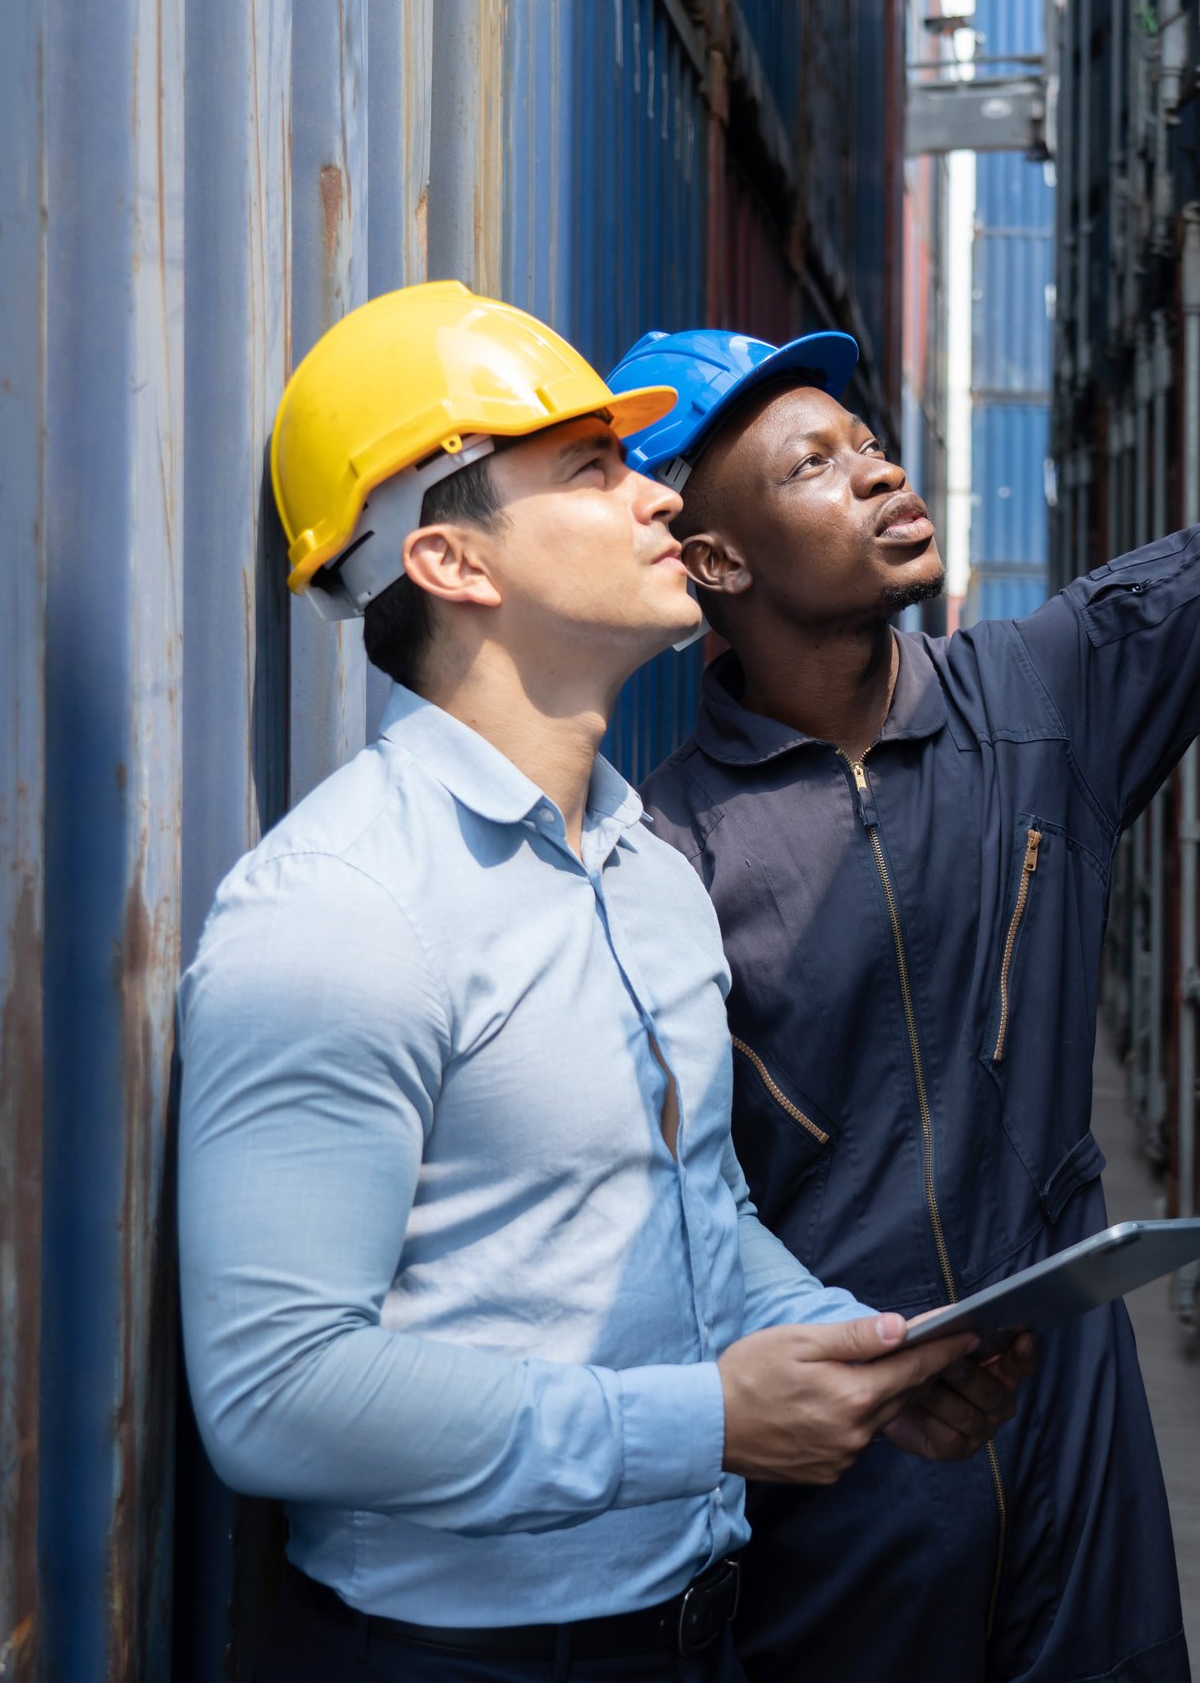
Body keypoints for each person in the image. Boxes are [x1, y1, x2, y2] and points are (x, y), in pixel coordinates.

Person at [176, 285, 1030, 1683]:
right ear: (454, 562)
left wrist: (854, 1351)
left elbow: (694, 1221)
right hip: (447, 1658)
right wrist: (704, 1422)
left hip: (689, 1630)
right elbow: (276, 1395)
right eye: (590, 468)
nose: (655, 499)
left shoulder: (646, 870)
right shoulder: (341, 907)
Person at [608, 325, 1200, 1682]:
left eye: (867, 441)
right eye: (814, 464)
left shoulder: (1032, 698)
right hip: (852, 1461)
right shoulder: (671, 853)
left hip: (1070, 1419)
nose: (876, 470)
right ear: (719, 560)